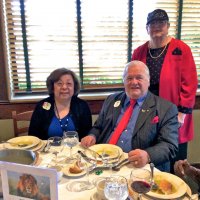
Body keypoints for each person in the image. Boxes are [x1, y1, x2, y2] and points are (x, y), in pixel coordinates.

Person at [81, 60, 179, 172]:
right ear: (124, 81)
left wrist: (148, 155)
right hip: (104, 160)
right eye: (129, 78)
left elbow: (169, 145)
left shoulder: (166, 108)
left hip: (136, 167)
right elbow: (98, 127)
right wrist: (92, 136)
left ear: (148, 81)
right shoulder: (111, 100)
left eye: (139, 77)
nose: (134, 82)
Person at [131, 9, 198, 170]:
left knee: (174, 157)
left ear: (168, 26)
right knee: (151, 155)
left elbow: (190, 83)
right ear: (147, 29)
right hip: (147, 111)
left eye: (161, 23)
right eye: (152, 23)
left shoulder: (181, 49)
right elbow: (133, 80)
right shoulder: (139, 51)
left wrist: (181, 114)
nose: (157, 27)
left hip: (175, 111)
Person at [29, 68, 92, 140]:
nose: (64, 87)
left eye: (69, 83)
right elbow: (33, 137)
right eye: (59, 83)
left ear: (74, 87)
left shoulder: (82, 106)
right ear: (52, 87)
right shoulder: (42, 106)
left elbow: (87, 138)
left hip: (74, 150)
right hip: (48, 150)